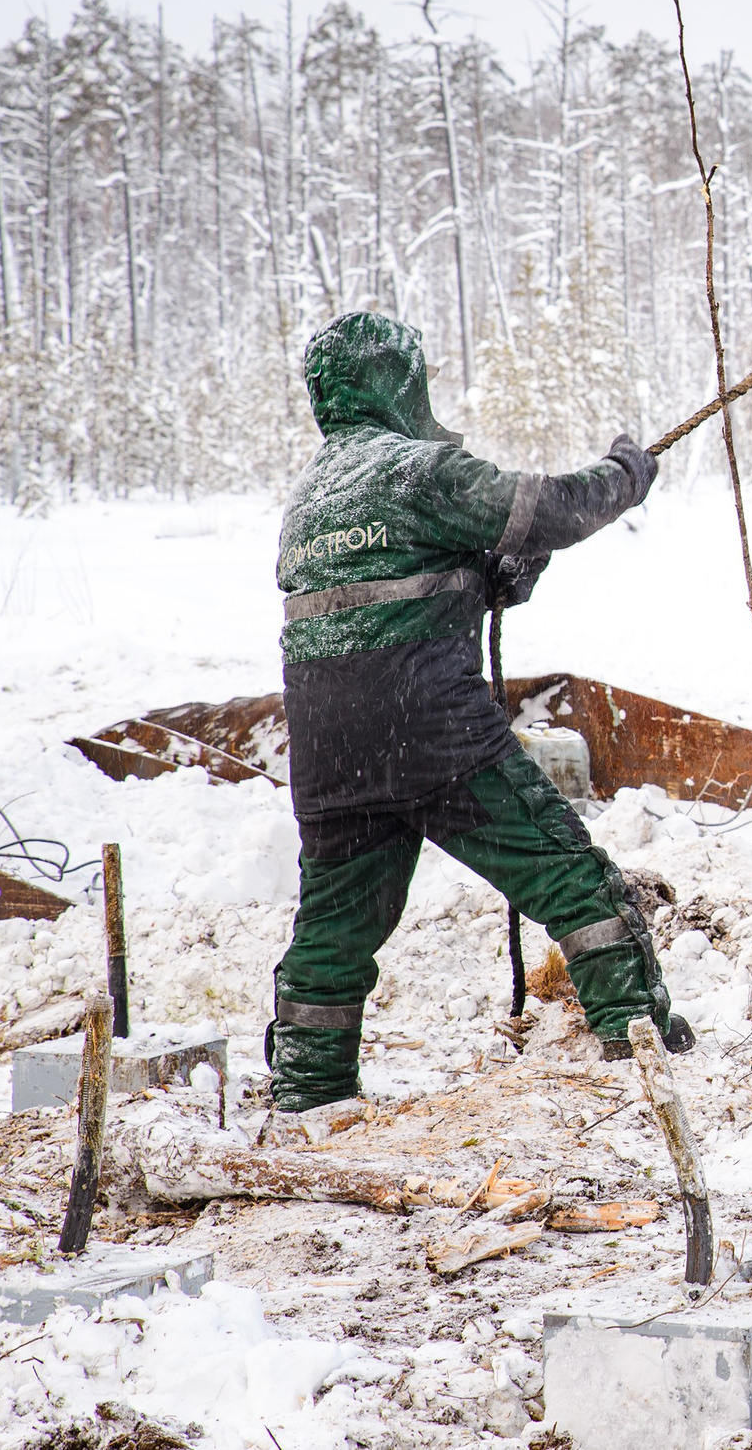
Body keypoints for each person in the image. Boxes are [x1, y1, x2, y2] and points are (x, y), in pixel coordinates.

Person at [268, 312, 690, 1114]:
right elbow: (547, 509)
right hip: (433, 733)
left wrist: (493, 570)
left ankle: (307, 1095)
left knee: (332, 933)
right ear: (400, 384)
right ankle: (641, 1052)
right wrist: (623, 475)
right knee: (571, 878)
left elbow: (404, 582)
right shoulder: (417, 472)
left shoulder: (307, 502)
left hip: (330, 758)